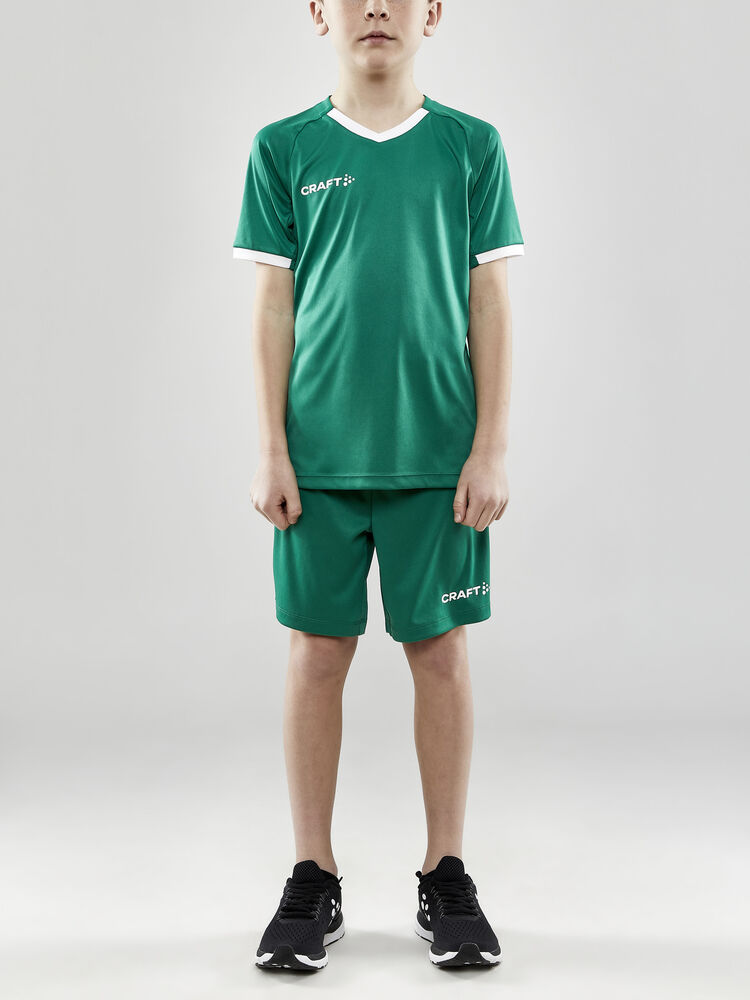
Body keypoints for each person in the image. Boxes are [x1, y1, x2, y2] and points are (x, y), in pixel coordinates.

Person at [232, 0, 524, 973]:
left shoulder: (471, 147)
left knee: (439, 654)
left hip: (437, 461)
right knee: (317, 655)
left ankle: (447, 872)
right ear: (318, 11)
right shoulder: (283, 148)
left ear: (432, 11)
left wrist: (489, 447)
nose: (376, 8)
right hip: (317, 462)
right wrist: (272, 447)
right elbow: (273, 305)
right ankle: (311, 876)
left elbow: (489, 299)